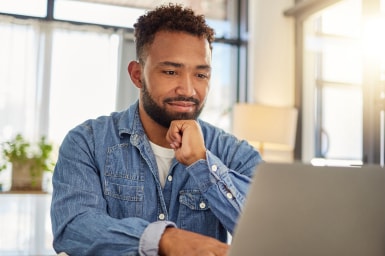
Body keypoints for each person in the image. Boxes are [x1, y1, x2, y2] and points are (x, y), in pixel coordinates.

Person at [50, 3, 262, 256]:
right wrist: (164, 240)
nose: (188, 89)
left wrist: (202, 164)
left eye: (201, 75)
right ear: (138, 75)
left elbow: (269, 233)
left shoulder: (236, 154)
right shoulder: (87, 142)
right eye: (171, 72)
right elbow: (73, 228)